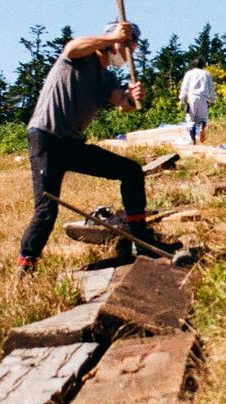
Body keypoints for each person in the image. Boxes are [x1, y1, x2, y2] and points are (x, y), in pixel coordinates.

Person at [15, 22, 176, 275]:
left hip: (73, 144)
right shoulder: (80, 58)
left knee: (131, 171)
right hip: (46, 138)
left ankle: (141, 242)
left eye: (131, 50)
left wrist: (134, 97)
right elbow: (71, 47)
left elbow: (123, 104)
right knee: (47, 209)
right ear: (114, 42)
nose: (127, 56)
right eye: (126, 48)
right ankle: (26, 266)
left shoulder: (107, 77)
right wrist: (112, 36)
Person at [178, 59, 215, 144]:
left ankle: (193, 140)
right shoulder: (207, 73)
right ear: (203, 65)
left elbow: (184, 87)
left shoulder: (189, 74)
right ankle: (201, 128)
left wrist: (182, 100)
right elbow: (211, 87)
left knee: (191, 120)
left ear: (193, 65)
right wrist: (212, 100)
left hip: (191, 98)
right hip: (203, 98)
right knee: (202, 117)